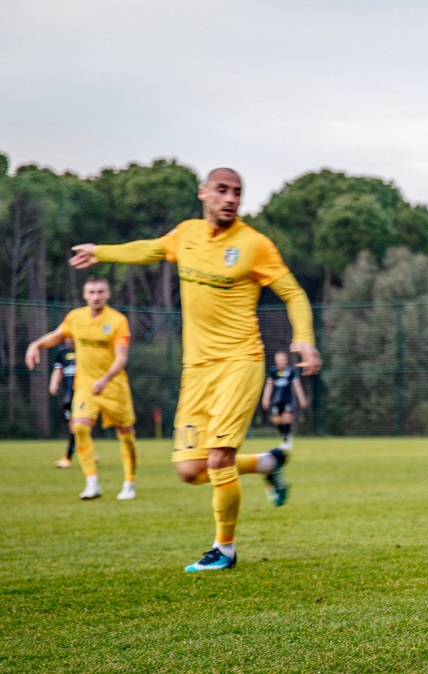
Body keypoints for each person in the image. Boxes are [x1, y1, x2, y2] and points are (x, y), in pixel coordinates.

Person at [69, 167, 321, 573]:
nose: (230, 198)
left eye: (237, 192)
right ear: (204, 193)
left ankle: (224, 549)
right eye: (222, 190)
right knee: (190, 470)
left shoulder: (254, 244)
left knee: (219, 457)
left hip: (240, 363)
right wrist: (102, 251)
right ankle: (267, 464)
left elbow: (292, 293)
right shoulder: (186, 234)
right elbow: (150, 249)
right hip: (197, 370)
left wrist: (304, 338)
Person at [25, 279, 138, 500]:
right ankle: (92, 483)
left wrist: (105, 380)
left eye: (100, 292)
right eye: (91, 292)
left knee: (126, 435)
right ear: (85, 295)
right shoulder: (75, 317)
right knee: (79, 427)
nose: (96, 296)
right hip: (85, 386)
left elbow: (121, 358)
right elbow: (57, 335)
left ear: (108, 294)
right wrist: (36, 344)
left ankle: (129, 483)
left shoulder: (118, 321)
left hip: (114, 387)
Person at [262, 350, 308, 450]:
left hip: (287, 399)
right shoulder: (273, 372)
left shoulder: (291, 371)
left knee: (287, 418)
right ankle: (286, 437)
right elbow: (269, 386)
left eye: (282, 359)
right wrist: (265, 399)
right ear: (275, 361)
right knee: (276, 421)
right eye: (278, 359)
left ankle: (286, 441)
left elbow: (297, 385)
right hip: (276, 401)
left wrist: (302, 399)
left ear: (286, 360)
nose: (280, 361)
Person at [50, 338, 78, 468]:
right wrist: (54, 383)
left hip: (83, 395)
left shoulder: (84, 350)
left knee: (76, 426)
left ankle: (67, 458)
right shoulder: (62, 352)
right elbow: (58, 370)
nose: (68, 339)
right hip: (68, 396)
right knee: (72, 425)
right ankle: (87, 450)